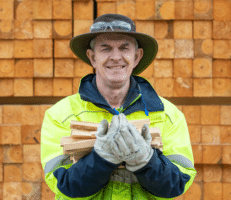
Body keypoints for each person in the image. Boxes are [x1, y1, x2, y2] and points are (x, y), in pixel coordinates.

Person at [41, 14, 196, 200]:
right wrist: (101, 158)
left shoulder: (168, 115)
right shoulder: (61, 115)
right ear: (92, 57)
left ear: (137, 56)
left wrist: (146, 160)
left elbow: (178, 184)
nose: (115, 57)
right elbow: (64, 186)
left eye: (124, 48)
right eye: (105, 48)